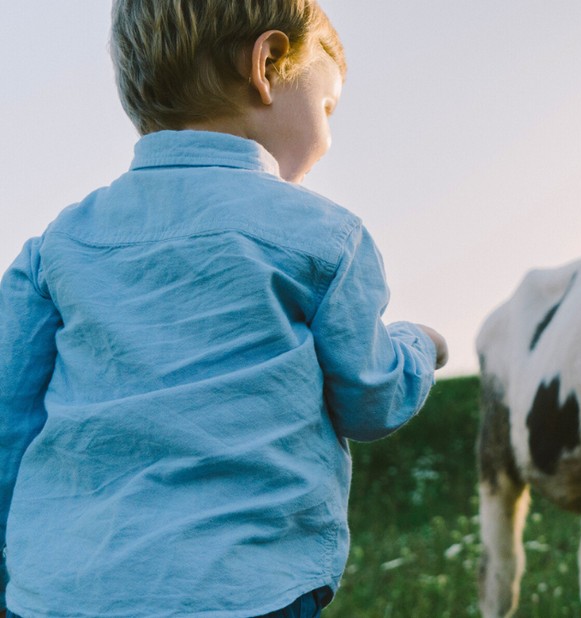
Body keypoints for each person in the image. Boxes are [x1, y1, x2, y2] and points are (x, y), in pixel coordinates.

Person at [0, 1, 448, 616]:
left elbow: (9, 422)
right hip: (244, 590)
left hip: (63, 593)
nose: (329, 133)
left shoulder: (57, 246)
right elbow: (372, 397)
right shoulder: (324, 238)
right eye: (326, 107)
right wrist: (421, 345)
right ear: (266, 65)